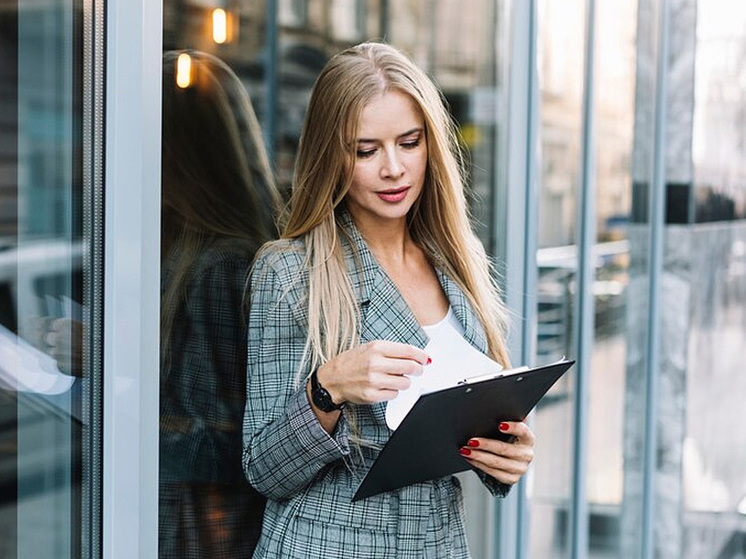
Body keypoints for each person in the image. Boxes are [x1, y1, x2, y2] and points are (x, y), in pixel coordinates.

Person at [242, 42, 535, 558]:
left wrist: (506, 455)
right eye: (366, 150)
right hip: (326, 545)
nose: (394, 168)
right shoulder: (291, 270)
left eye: (409, 142)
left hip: (439, 543)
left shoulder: (457, 262)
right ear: (332, 156)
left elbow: (469, 427)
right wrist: (326, 388)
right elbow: (264, 468)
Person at [159, 49, 279, 558]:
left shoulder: (221, 269)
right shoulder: (197, 253)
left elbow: (232, 448)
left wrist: (112, 386)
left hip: (209, 535)